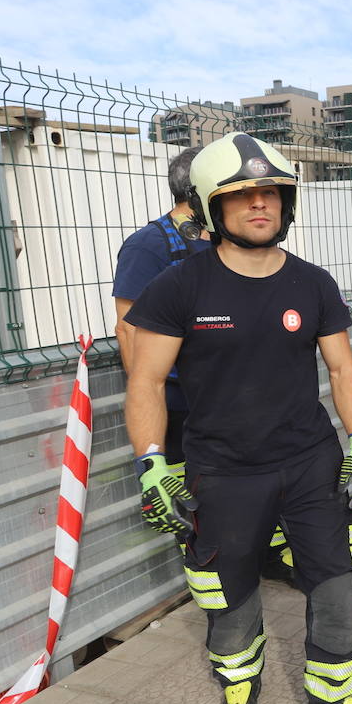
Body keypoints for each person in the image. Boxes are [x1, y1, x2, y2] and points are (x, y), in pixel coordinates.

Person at [124, 132, 352, 704]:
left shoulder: (313, 284)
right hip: (220, 470)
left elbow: (344, 370)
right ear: (214, 207)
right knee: (229, 586)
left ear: (286, 203)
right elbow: (143, 380)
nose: (259, 205)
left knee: (333, 579)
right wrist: (152, 466)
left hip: (309, 463)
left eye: (270, 193)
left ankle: (334, 700)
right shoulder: (180, 286)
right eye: (242, 195)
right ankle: (241, 690)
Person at [112, 145, 208, 472]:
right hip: (177, 406)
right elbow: (127, 329)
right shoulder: (149, 246)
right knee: (182, 501)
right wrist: (153, 404)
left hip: (225, 399)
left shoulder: (227, 241)